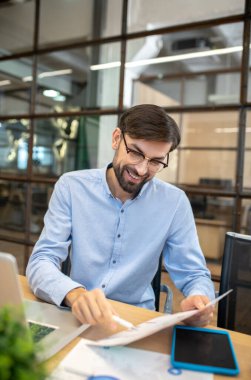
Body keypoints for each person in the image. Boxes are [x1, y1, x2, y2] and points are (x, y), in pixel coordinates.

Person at [26, 104, 215, 330]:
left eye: (156, 161)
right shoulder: (72, 187)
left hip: (137, 322)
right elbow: (41, 261)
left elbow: (194, 274)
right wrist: (74, 294)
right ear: (117, 138)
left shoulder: (174, 203)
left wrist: (199, 297)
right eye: (135, 153)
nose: (142, 170)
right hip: (79, 314)